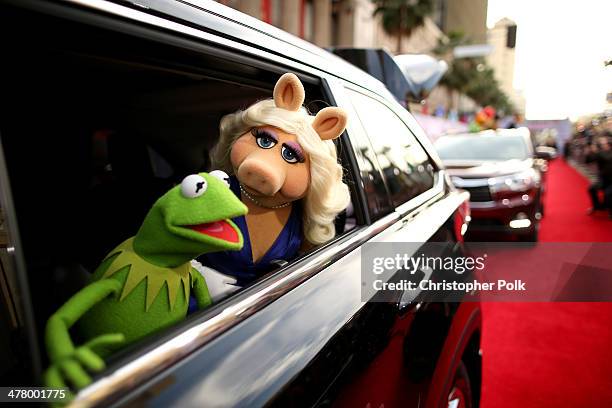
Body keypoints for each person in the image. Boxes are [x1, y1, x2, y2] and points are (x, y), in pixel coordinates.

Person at [585, 137, 612, 218]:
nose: (603, 146)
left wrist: (596, 151)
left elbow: (607, 158)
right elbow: (588, 161)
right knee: (591, 189)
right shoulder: (600, 153)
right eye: (602, 144)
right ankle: (597, 206)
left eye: (605, 144)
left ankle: (610, 210)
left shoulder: (604, 153)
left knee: (608, 194)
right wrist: (589, 151)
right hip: (604, 180)